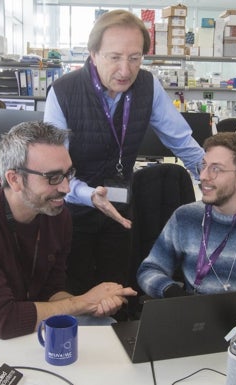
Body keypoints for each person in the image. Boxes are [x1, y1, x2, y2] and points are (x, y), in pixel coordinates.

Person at [43, 9, 204, 296]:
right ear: (93, 54)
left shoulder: (147, 86)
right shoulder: (63, 92)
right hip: (71, 211)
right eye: (114, 57)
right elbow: (55, 173)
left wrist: (213, 176)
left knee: (118, 291)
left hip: (119, 211)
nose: (126, 70)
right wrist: (90, 196)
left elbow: (182, 141)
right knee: (73, 294)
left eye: (135, 58)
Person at [0, 121, 136, 340]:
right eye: (54, 178)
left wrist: (92, 306)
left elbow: (51, 291)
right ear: (15, 179)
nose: (66, 188)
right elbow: (3, 320)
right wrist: (83, 302)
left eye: (69, 174)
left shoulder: (56, 214)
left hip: (32, 327)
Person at [136, 133, 236, 306]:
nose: (204, 176)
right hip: (194, 321)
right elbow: (149, 270)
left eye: (216, 169)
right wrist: (173, 294)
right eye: (204, 166)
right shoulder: (185, 217)